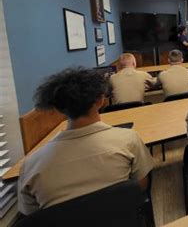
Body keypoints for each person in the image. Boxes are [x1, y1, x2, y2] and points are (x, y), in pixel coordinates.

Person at [17, 68, 155, 215]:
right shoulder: (128, 139)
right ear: (101, 100)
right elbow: (141, 186)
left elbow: (31, 215)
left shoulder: (30, 166)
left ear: (59, 108)